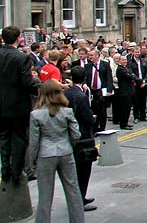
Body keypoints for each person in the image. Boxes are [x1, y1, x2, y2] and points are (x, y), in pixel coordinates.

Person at [29, 80, 85, 223]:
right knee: (73, 190)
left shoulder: (36, 115)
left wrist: (32, 161)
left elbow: (34, 142)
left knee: (45, 195)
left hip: (45, 154)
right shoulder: (67, 111)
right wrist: (69, 145)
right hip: (65, 151)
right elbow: (76, 135)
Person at [0, 26, 39, 185]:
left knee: (3, 138)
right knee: (19, 139)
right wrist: (39, 87)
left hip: (1, 106)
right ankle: (17, 172)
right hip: (17, 106)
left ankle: (5, 169)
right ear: (18, 39)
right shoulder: (21, 58)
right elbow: (27, 82)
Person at [64, 67, 97, 211]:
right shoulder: (81, 96)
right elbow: (87, 118)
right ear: (84, 78)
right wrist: (92, 118)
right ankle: (79, 200)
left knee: (74, 171)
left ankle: (79, 197)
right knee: (83, 171)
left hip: (69, 136)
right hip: (82, 136)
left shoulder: (65, 93)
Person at [84, 50, 113, 133]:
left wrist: (109, 90)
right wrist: (84, 84)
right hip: (92, 91)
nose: (90, 57)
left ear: (97, 56)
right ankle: (94, 128)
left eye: (92, 55)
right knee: (93, 110)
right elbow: (85, 78)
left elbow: (109, 78)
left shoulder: (105, 64)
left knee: (102, 111)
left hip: (101, 91)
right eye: (89, 55)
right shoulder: (88, 66)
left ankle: (102, 128)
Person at [115, 55, 136, 130]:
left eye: (125, 60)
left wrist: (132, 76)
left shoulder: (125, 68)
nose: (125, 61)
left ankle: (126, 122)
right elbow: (130, 76)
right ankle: (123, 124)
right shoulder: (120, 69)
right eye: (123, 60)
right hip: (124, 92)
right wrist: (132, 76)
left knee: (128, 108)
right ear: (119, 61)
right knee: (124, 108)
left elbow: (132, 74)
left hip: (129, 91)